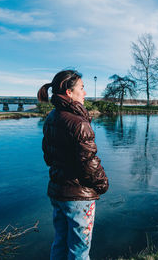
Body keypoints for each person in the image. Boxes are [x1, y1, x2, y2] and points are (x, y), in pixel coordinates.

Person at [37, 70, 109, 260]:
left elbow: (48, 157)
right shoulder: (79, 123)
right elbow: (89, 163)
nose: (85, 93)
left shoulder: (52, 117)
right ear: (69, 92)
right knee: (80, 250)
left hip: (57, 192)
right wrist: (102, 185)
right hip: (79, 197)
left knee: (60, 243)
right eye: (82, 88)